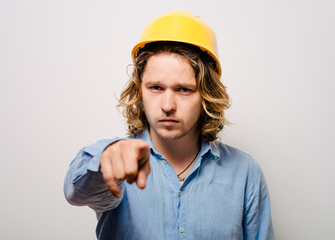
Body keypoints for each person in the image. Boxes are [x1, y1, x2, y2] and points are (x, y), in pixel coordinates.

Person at [64, 10, 274, 240]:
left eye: (183, 89)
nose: (167, 105)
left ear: (206, 94)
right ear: (139, 90)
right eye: (155, 88)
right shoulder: (118, 161)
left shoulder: (245, 172)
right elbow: (76, 191)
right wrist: (105, 163)